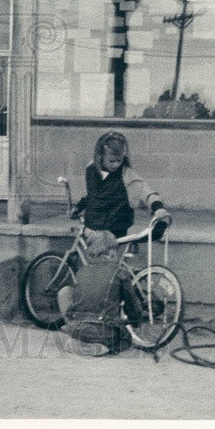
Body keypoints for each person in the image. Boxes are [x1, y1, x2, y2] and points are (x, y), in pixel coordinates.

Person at [65, 131, 171, 323]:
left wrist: (158, 208)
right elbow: (91, 195)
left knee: (112, 272)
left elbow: (147, 192)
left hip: (114, 231)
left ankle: (131, 307)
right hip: (92, 228)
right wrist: (78, 208)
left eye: (119, 160)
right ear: (99, 157)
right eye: (111, 161)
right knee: (101, 271)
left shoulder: (128, 175)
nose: (116, 165)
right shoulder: (91, 169)